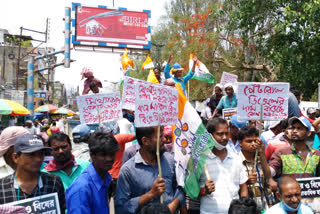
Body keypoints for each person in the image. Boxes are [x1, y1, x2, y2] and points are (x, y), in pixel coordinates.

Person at [116, 126, 185, 213]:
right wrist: (150, 194)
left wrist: (172, 206)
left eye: (163, 135)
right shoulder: (127, 171)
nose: (164, 140)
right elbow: (121, 209)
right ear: (145, 141)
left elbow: (180, 188)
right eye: (160, 137)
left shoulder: (170, 160)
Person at [0, 134, 66, 213]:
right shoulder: (2, 187)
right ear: (16, 157)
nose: (38, 159)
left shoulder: (54, 182)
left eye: (41, 153)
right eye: (31, 154)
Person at [200, 118, 248, 214]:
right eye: (220, 134)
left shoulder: (235, 158)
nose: (225, 137)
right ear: (210, 136)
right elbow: (190, 192)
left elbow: (243, 187)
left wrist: (243, 207)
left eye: (226, 133)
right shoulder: (201, 160)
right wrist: (204, 191)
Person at [66, 132, 120, 214]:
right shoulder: (81, 189)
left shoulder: (105, 178)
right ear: (92, 155)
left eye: (112, 154)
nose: (109, 159)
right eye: (103, 155)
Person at [238, 126, 274, 210]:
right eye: (249, 141)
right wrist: (246, 182)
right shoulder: (236, 161)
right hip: (245, 208)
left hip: (263, 206)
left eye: (255, 141)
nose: (253, 144)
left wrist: (262, 154)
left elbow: (267, 179)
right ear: (240, 143)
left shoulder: (260, 159)